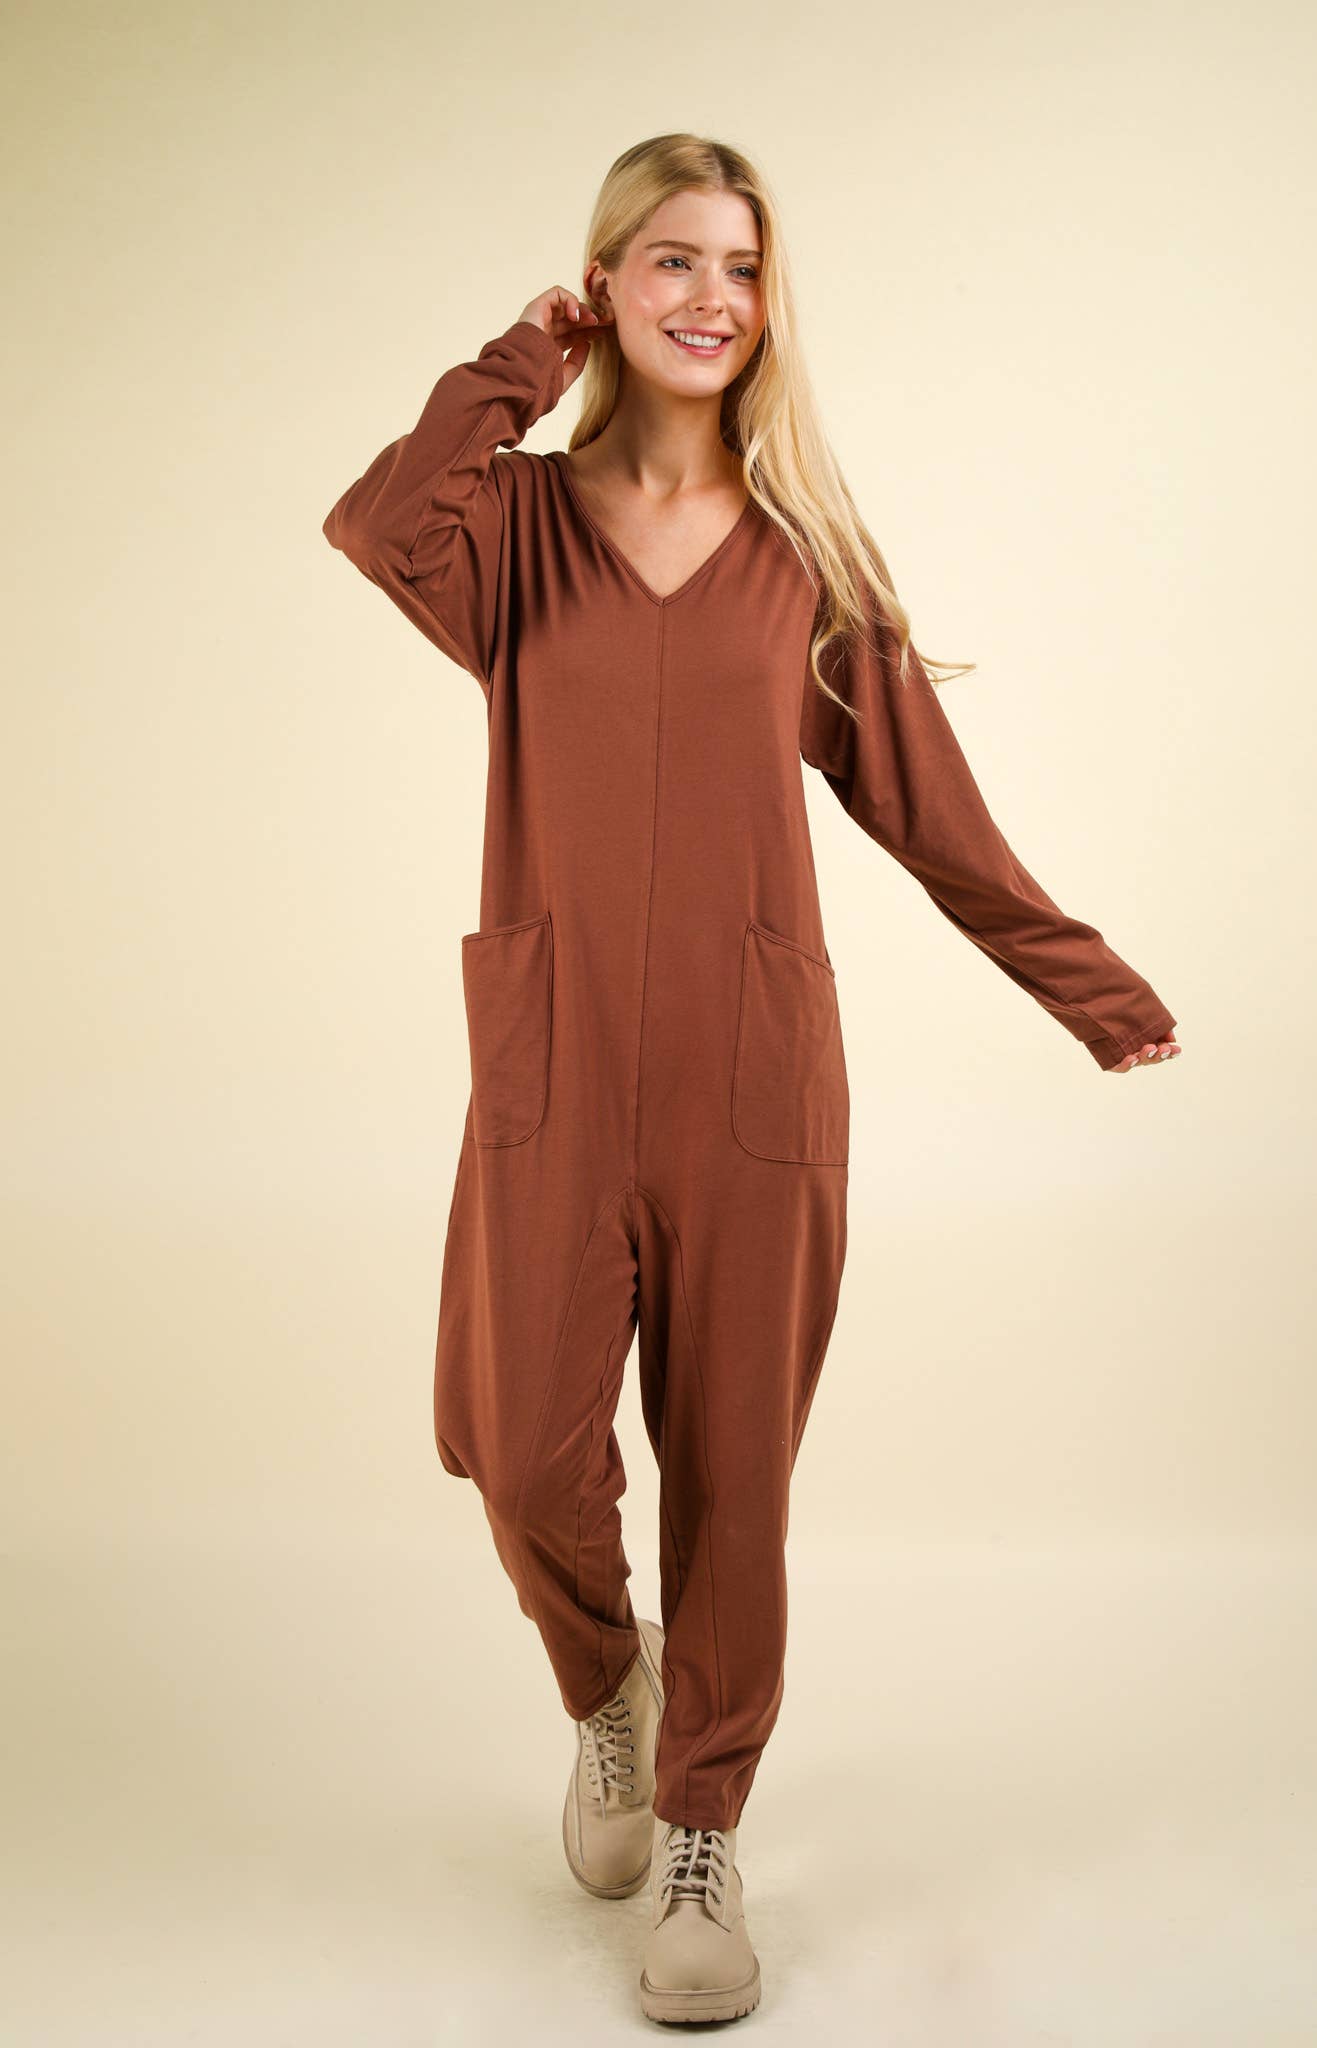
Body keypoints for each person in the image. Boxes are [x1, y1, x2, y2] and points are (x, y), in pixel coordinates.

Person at [321, 132, 1181, 2028]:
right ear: (605, 283)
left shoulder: (804, 562)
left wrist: (1086, 984)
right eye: (669, 260)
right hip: (552, 1060)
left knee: (734, 1482)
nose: (710, 297)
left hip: (752, 1078)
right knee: (520, 1446)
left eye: (741, 266)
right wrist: (517, 364)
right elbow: (378, 526)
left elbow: (928, 811)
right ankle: (607, 1692)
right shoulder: (511, 531)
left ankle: (702, 1830)